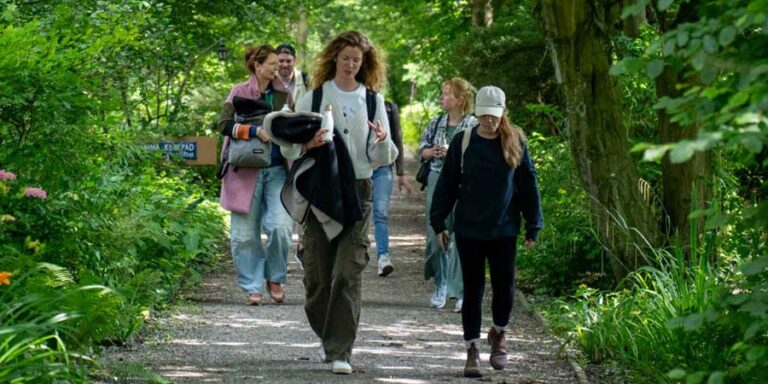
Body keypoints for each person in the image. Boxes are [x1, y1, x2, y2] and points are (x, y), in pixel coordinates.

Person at [282, 30, 397, 375]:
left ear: (365, 64)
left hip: (358, 191)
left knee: (348, 271)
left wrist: (379, 141)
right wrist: (307, 146)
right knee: (318, 281)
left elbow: (382, 156)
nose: (350, 65)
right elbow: (288, 144)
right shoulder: (313, 98)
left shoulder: (374, 101)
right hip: (320, 191)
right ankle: (330, 336)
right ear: (335, 58)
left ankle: (341, 350)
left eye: (357, 60)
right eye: (345, 58)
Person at [430, 86, 543, 378]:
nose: (490, 121)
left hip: (504, 228)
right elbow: (448, 183)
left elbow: (528, 183)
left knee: (505, 288)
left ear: (502, 112)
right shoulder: (464, 141)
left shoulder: (515, 140)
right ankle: (472, 349)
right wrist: (439, 222)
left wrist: (534, 224)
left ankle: (499, 333)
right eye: (484, 116)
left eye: (494, 116)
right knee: (473, 289)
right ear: (477, 112)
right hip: (469, 228)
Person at [217, 45, 294, 306]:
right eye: (272, 63)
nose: (278, 67)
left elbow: (294, 127)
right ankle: (252, 285)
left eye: (278, 63)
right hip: (244, 170)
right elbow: (223, 125)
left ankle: (275, 277)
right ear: (257, 66)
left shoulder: (284, 94)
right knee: (245, 234)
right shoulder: (238, 93)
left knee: (281, 227)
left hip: (276, 172)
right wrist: (253, 132)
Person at [418, 77, 477, 311]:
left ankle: (460, 290)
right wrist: (431, 152)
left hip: (464, 184)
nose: (442, 97)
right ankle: (440, 284)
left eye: (446, 94)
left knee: (461, 236)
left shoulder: (473, 125)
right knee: (437, 233)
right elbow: (421, 150)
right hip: (436, 180)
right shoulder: (436, 122)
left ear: (460, 100)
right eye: (441, 93)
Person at [370, 100, 412, 277]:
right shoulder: (351, 99)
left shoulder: (388, 106)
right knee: (358, 213)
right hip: (358, 167)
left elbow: (397, 138)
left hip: (383, 167)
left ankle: (383, 257)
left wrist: (401, 172)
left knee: (380, 212)